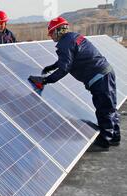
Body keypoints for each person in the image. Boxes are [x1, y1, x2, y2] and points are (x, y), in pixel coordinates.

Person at [28, 17, 121, 151]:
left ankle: (105, 141)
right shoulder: (73, 37)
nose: (51, 36)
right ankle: (115, 137)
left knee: (104, 109)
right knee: (109, 107)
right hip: (105, 73)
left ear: (59, 30)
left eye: (52, 32)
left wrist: (45, 80)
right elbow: (69, 58)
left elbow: (65, 67)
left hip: (99, 78)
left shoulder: (64, 43)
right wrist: (53, 66)